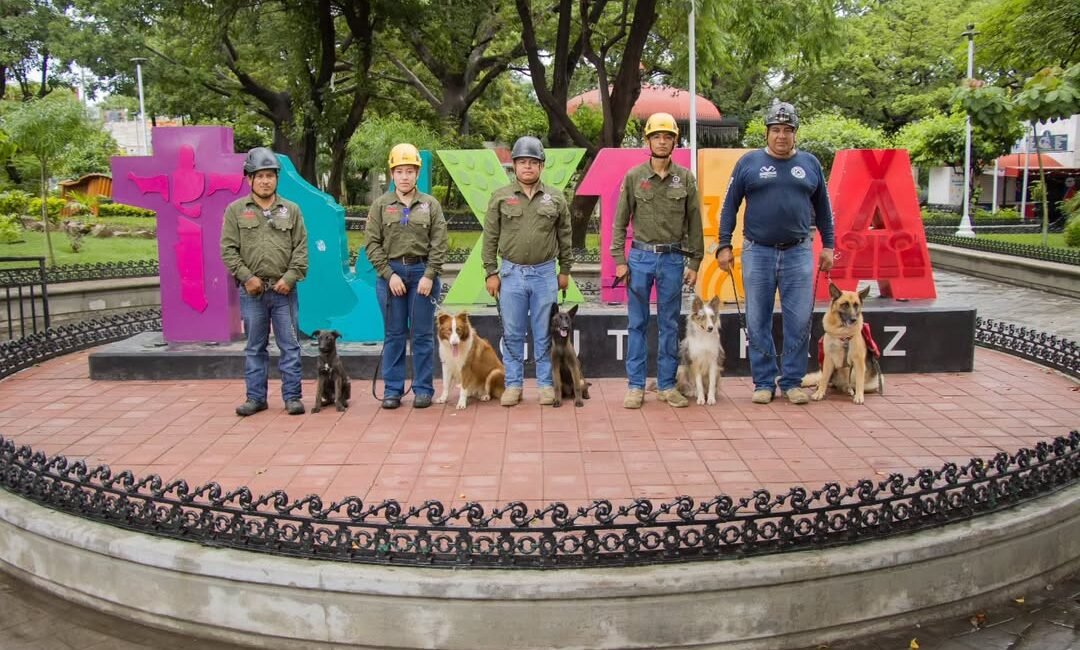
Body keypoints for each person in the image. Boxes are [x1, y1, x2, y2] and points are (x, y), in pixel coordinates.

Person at [715, 101, 835, 405]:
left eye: (787, 130)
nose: (781, 135)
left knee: (799, 320)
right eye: (776, 129)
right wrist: (723, 244)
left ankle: (792, 382)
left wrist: (829, 246)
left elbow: (824, 209)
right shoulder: (749, 163)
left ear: (795, 133)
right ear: (767, 132)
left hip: (799, 253)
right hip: (758, 252)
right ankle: (764, 382)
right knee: (757, 319)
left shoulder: (810, 164)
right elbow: (729, 206)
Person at [611, 112, 704, 409]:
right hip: (640, 259)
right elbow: (619, 222)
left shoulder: (685, 178)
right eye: (656, 137)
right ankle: (635, 386)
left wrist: (694, 263)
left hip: (673, 259)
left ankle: (666, 385)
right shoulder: (634, 177)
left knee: (669, 325)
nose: (662, 142)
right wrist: (619, 259)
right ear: (648, 141)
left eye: (667, 137)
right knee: (637, 323)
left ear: (675, 141)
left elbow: (695, 223)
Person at [482, 136, 573, 407]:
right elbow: (490, 237)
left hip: (545, 274)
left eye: (533, 162)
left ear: (542, 166)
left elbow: (565, 236)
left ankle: (546, 385)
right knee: (512, 332)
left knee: (544, 332)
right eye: (522, 162)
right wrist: (490, 272)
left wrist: (565, 270)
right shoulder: (501, 197)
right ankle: (513, 385)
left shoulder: (555, 198)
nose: (528, 167)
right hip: (511, 274)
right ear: (514, 165)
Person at [221, 147, 309, 417]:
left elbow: (301, 249)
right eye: (259, 176)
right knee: (255, 347)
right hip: (253, 293)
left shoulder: (291, 210)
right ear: (249, 179)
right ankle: (255, 398)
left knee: (290, 346)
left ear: (276, 179)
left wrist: (289, 278)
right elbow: (228, 249)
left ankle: (292, 397)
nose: (265, 181)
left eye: (270, 176)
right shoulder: (236, 211)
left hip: (284, 291)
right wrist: (247, 278)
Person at [365, 143, 449, 409]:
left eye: (410, 171)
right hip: (391, 275)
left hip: (423, 274)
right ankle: (393, 390)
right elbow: (372, 244)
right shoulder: (380, 206)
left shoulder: (430, 204)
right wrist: (389, 275)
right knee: (394, 335)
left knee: (422, 335)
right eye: (399, 171)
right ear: (392, 173)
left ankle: (423, 389)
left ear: (417, 173)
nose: (404, 176)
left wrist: (430, 275)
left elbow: (440, 242)